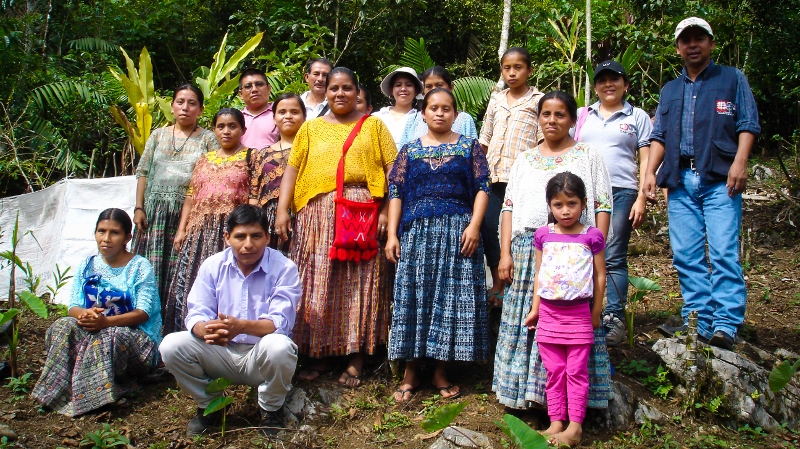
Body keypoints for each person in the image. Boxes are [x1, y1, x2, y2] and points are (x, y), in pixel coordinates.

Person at [274, 67, 396, 388]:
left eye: (346, 88)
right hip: (315, 216)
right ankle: (319, 352)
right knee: (316, 280)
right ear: (324, 93)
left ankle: (356, 355)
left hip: (362, 212)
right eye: (333, 89)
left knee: (360, 282)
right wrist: (283, 211)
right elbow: (292, 170)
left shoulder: (374, 126)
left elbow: (393, 171)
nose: (340, 94)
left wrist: (384, 210)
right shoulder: (310, 129)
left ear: (358, 92)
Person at [643, 17, 760, 350]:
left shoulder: (731, 79)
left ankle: (726, 323)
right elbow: (660, 135)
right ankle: (698, 319)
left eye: (699, 38)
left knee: (723, 252)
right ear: (679, 47)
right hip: (679, 181)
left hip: (720, 179)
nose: (692, 45)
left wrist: (740, 162)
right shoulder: (670, 89)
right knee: (686, 255)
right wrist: (651, 172)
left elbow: (748, 123)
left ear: (710, 43)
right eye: (686, 40)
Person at [493, 91, 612, 410]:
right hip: (527, 250)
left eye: (560, 115)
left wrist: (594, 248)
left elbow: (602, 203)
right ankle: (523, 395)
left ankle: (571, 408)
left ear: (573, 120)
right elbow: (508, 208)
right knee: (529, 321)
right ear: (538, 118)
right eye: (546, 114)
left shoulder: (589, 155)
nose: (552, 120)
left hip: (575, 256)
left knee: (573, 331)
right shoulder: (524, 159)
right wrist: (505, 253)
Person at [385, 88, 491, 402]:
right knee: (414, 298)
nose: (440, 113)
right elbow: (396, 193)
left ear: (456, 114)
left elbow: (483, 188)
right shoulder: (409, 150)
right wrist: (392, 234)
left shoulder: (469, 147)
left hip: (459, 233)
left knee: (451, 299)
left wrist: (474, 225)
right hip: (416, 234)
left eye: (446, 108)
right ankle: (411, 371)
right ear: (423, 113)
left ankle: (441, 371)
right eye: (433, 108)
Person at [159, 204, 300, 437]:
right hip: (221, 351)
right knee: (172, 345)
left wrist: (240, 327)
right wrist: (207, 330)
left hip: (260, 356)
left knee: (280, 346)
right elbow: (196, 313)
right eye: (240, 236)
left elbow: (279, 323)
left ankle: (270, 410)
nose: (248, 244)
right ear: (227, 238)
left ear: (267, 237)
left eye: (256, 236)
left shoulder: (284, 268)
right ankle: (210, 405)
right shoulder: (213, 265)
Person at [32, 208, 162, 417]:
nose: (106, 239)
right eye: (101, 231)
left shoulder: (139, 266)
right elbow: (73, 306)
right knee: (62, 326)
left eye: (114, 233)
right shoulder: (87, 265)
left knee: (108, 337)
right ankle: (55, 391)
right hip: (95, 328)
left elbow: (143, 313)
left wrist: (106, 323)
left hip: (136, 340)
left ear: (127, 237)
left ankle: (95, 400)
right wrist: (85, 315)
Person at [523, 172, 606, 447]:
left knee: (576, 372)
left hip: (579, 315)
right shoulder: (543, 235)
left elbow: (600, 275)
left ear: (583, 203)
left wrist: (595, 312)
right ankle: (556, 421)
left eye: (571, 203)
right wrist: (535, 309)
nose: (565, 211)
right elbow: (539, 274)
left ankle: (575, 427)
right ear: (549, 206)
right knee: (555, 370)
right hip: (548, 314)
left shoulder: (591, 236)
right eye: (558, 205)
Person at [573, 60, 652, 346]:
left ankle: (614, 317)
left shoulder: (638, 116)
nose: (609, 84)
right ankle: (582, 311)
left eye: (614, 79)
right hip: (583, 194)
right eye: (602, 80)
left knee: (614, 253)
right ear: (595, 87)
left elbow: (645, 157)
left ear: (625, 84)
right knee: (581, 251)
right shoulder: (582, 115)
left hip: (621, 191)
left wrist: (643, 195)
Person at [162, 108, 254, 335]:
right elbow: (191, 196)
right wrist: (182, 229)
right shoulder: (204, 160)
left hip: (231, 233)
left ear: (243, 129)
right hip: (199, 232)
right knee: (193, 282)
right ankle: (189, 336)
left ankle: (227, 337)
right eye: (220, 126)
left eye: (232, 126)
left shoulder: (252, 157)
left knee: (228, 284)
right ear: (214, 130)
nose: (226, 131)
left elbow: (254, 195)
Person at [132, 84, 216, 300]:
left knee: (180, 269)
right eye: (180, 102)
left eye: (192, 103)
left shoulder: (208, 139)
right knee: (149, 268)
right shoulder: (158, 135)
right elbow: (143, 171)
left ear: (201, 109)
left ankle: (173, 323)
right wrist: (139, 207)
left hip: (187, 215)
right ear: (172, 106)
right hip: (154, 214)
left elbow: (213, 174)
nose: (185, 108)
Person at [479, 47, 545, 308]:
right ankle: (498, 281)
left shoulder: (538, 100)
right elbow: (485, 138)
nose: (512, 72)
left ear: (529, 70)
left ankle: (519, 284)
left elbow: (543, 140)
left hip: (524, 179)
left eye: (518, 67)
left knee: (518, 232)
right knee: (488, 228)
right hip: (493, 177)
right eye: (507, 68)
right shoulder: (496, 100)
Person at [249, 93, 307, 255]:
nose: (288, 116)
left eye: (294, 112)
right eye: (282, 112)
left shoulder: (311, 151)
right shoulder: (262, 154)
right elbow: (254, 194)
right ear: (274, 118)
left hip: (302, 217)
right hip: (267, 219)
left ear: (304, 117)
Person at [402, 66, 478, 143]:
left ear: (451, 87)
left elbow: (474, 150)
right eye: (428, 86)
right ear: (423, 92)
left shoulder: (465, 120)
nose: (435, 90)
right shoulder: (412, 120)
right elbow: (402, 152)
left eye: (439, 85)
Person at [373, 66, 424, 150]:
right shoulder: (378, 117)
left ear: (416, 90)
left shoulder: (422, 119)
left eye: (408, 85)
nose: (403, 89)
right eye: (398, 85)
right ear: (391, 90)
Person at [239, 68, 279, 149]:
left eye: (259, 84)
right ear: (240, 94)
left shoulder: (280, 113)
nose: (254, 89)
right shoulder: (236, 119)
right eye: (248, 86)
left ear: (268, 88)